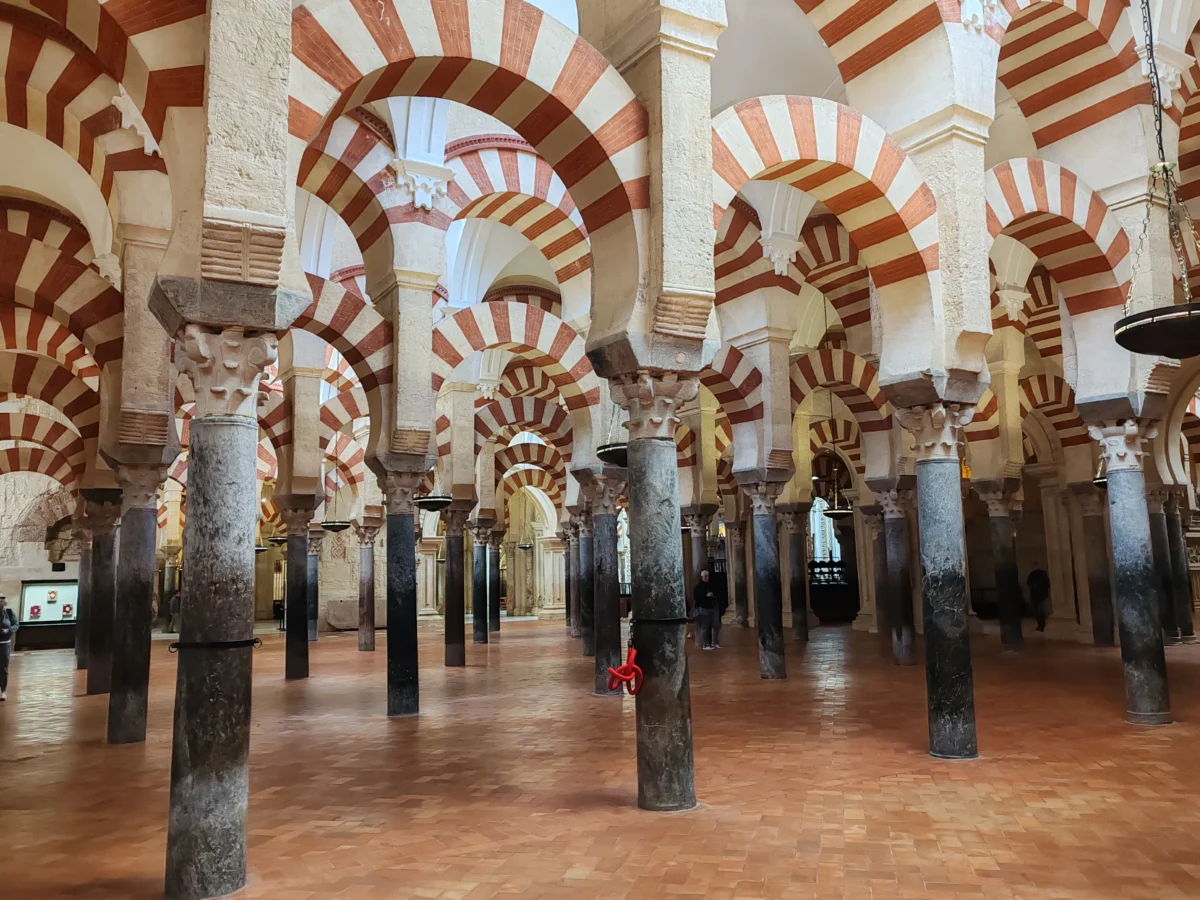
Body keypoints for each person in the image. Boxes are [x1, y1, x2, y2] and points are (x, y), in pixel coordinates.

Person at [693, 570, 720, 650]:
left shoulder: (712, 584)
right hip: (703, 609)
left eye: (708, 576)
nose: (707, 577)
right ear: (702, 577)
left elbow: (717, 593)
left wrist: (713, 595)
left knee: (716, 625)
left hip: (713, 608)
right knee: (704, 627)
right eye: (705, 576)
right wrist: (706, 596)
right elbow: (697, 599)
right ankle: (705, 644)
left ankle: (714, 643)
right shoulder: (697, 587)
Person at [0, 595, 18, 701]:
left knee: (3, 668)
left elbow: (16, 625)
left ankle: (3, 691)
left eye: (2, 607)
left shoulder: (10, 613)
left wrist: (9, 630)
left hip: (5, 644)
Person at [1027, 567, 1051, 632]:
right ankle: (1041, 625)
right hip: (1039, 596)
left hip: (1038, 597)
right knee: (1038, 611)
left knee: (1038, 611)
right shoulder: (1043, 578)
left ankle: (1041, 625)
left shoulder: (1035, 578)